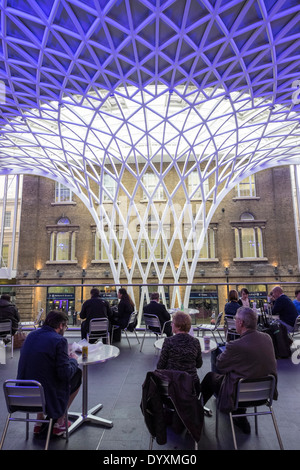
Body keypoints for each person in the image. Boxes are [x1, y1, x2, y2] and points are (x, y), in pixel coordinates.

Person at [201, 307, 277, 434]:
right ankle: (241, 419)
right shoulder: (267, 338)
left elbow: (220, 366)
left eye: (236, 319)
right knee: (244, 373)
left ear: (241, 323)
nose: (235, 321)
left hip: (238, 396)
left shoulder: (235, 346)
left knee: (210, 377)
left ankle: (195, 413)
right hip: (263, 395)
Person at [17, 310, 82, 436]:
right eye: (66, 327)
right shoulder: (59, 341)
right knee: (77, 374)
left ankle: (39, 422)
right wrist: (73, 360)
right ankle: (60, 422)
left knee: (40, 373)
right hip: (46, 397)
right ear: (61, 326)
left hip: (21, 395)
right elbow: (65, 374)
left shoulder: (31, 336)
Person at [156, 311, 202, 394]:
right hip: (191, 388)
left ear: (179, 326)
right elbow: (199, 365)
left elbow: (160, 366)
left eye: (172, 322)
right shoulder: (195, 342)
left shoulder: (168, 341)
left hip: (172, 387)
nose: (171, 324)